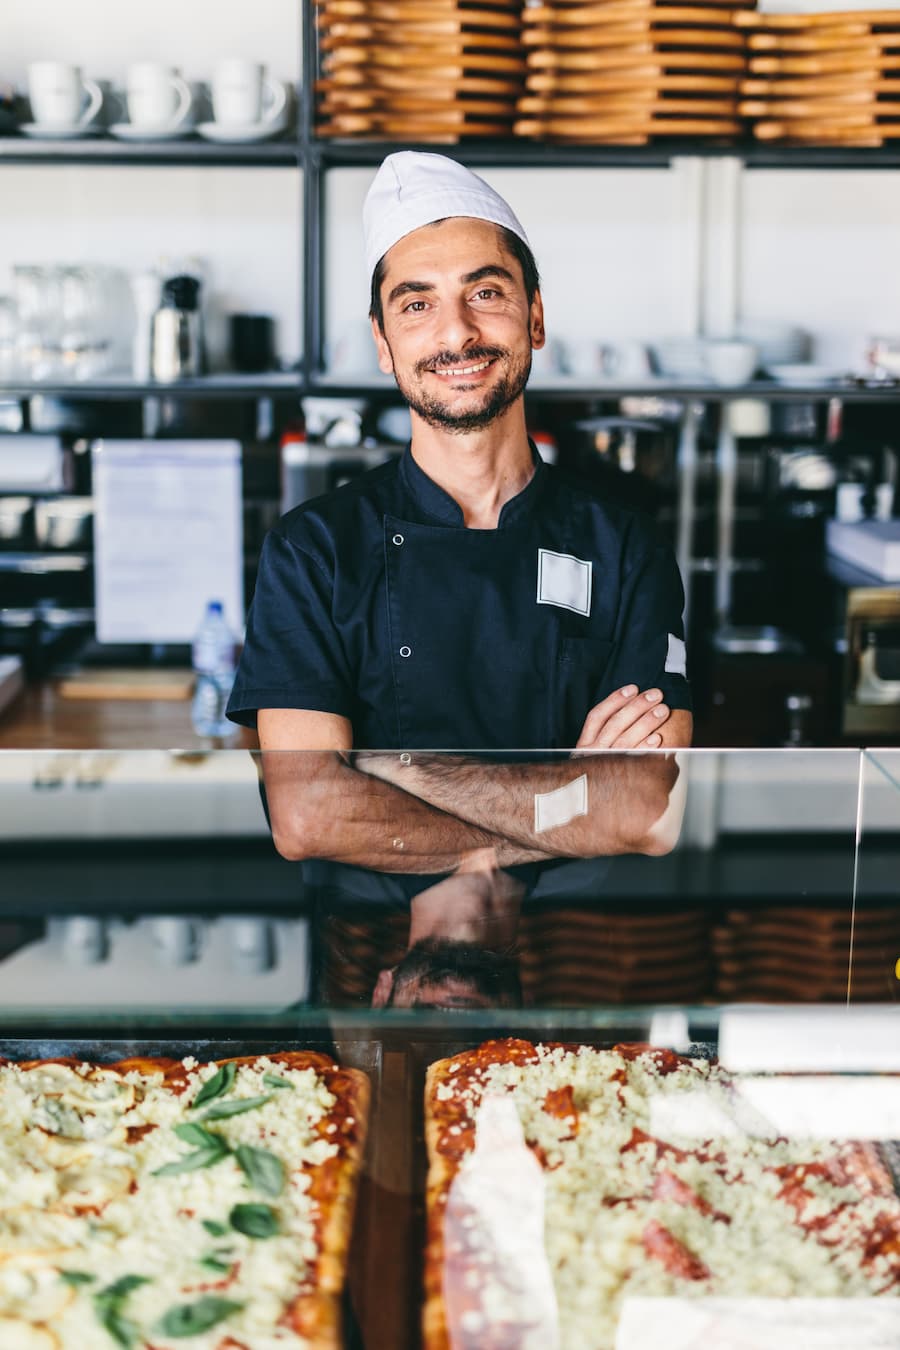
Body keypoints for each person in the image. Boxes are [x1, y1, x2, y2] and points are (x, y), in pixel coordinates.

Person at [227, 151, 691, 871]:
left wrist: (401, 773)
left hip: (568, 954)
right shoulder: (312, 551)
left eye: (486, 294)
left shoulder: (624, 547)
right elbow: (309, 815)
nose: (456, 334)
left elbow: (642, 811)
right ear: (383, 343)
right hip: (370, 953)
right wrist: (567, 799)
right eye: (417, 304)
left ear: (534, 316)